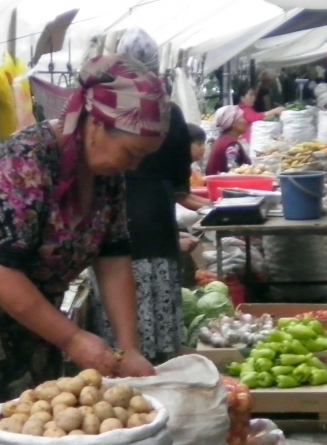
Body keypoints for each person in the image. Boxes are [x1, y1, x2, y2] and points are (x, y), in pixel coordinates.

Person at [0, 55, 168, 401]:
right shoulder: (24, 161)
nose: (134, 166)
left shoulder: (107, 178)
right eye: (131, 152)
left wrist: (129, 349)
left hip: (37, 320)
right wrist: (73, 339)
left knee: (35, 416)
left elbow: (113, 260)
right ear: (95, 125)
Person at [90, 29, 195, 365]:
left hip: (122, 231)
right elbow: (180, 183)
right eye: (130, 154)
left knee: (121, 348)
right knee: (159, 335)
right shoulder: (169, 113)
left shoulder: (102, 112)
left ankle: (136, 370)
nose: (132, 164)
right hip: (156, 222)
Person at [206, 106, 252, 175]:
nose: (246, 121)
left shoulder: (223, 140)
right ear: (233, 124)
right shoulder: (231, 145)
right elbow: (234, 172)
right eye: (242, 118)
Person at [187, 123, 208, 190]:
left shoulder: (193, 168)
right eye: (199, 144)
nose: (203, 148)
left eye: (203, 144)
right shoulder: (179, 172)